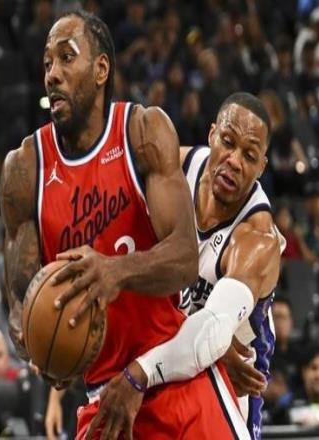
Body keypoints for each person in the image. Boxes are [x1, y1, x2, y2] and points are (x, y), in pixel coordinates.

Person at [1, 10, 250, 439]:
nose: (52, 74)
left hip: (173, 374)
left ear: (101, 70)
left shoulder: (142, 132)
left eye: (66, 57)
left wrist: (114, 271)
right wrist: (41, 349)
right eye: (47, 63)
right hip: (103, 398)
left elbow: (184, 258)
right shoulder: (24, 170)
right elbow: (19, 304)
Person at [85, 92, 283, 440]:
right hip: (160, 356)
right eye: (228, 142)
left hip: (227, 386)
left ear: (261, 168)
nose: (235, 161)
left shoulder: (257, 239)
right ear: (212, 135)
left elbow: (211, 333)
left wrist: (140, 374)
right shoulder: (174, 170)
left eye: (249, 156)